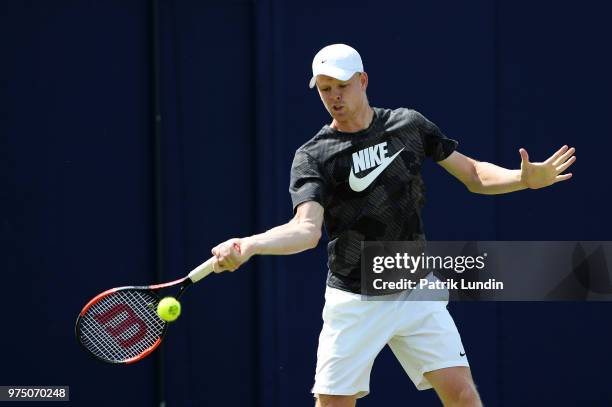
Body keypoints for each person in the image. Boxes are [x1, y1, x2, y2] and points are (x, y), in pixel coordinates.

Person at [210, 44, 576, 407]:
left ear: (363, 80)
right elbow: (306, 230)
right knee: (334, 404)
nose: (334, 97)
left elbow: (474, 174)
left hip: (414, 287)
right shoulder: (312, 156)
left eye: (341, 85)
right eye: (324, 89)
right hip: (354, 297)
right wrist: (252, 243)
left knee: (462, 394)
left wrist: (523, 179)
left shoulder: (409, 125)